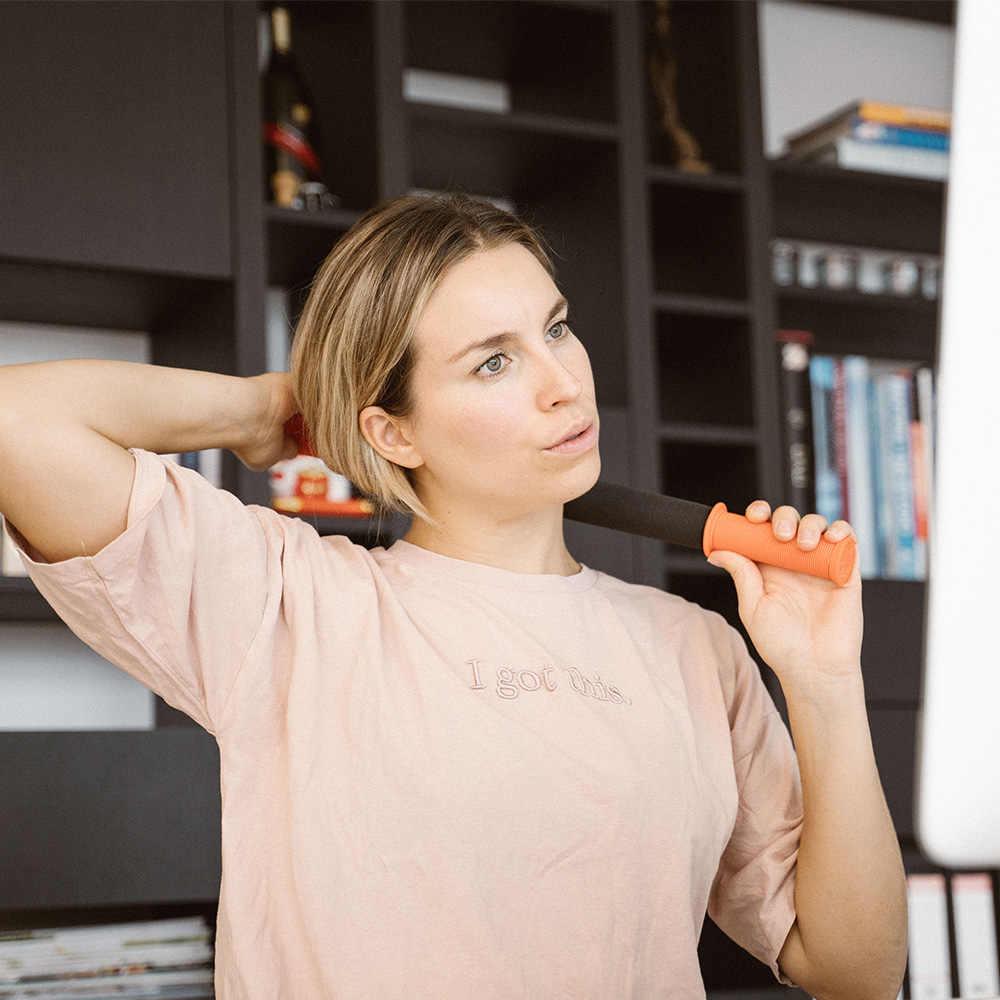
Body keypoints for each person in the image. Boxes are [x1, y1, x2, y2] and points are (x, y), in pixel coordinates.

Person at [0, 194, 906, 999]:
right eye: (492, 364)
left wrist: (823, 679)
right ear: (391, 431)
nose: (564, 385)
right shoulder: (286, 604)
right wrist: (256, 411)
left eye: (555, 328)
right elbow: (18, 424)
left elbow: (856, 973)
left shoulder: (695, 649)